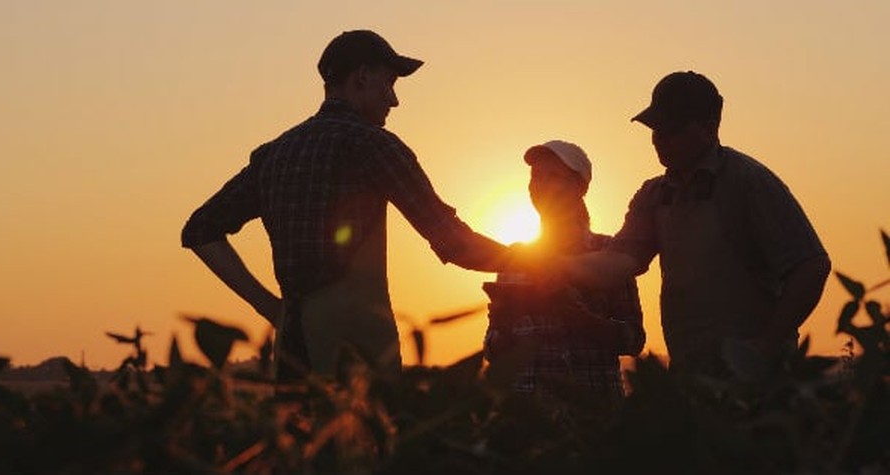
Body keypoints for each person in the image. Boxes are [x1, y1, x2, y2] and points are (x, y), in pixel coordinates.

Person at [181, 30, 513, 380]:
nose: (394, 100)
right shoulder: (373, 145)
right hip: (359, 362)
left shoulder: (275, 154)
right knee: (367, 435)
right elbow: (454, 243)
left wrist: (269, 308)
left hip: (292, 355)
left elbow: (201, 230)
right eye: (389, 84)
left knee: (299, 435)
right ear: (361, 78)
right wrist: (538, 264)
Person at [550, 71, 831, 381]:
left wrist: (764, 348)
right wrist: (552, 265)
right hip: (691, 378)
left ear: (710, 128)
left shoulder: (749, 182)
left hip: (759, 382)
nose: (659, 139)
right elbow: (619, 261)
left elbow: (811, 266)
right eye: (655, 129)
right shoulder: (655, 195)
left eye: (672, 130)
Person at [483, 140, 645, 398]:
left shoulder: (609, 253)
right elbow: (492, 351)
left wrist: (578, 316)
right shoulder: (514, 257)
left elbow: (633, 339)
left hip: (592, 412)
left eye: (554, 176)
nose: (542, 185)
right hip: (526, 414)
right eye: (536, 176)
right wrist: (503, 324)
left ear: (580, 187)